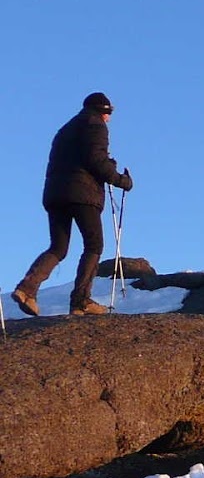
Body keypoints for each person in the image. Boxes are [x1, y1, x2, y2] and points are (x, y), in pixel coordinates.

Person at [12, 92, 133, 317]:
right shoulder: (96, 126)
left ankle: (26, 289)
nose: (109, 118)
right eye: (108, 113)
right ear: (102, 111)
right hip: (83, 195)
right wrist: (120, 180)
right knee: (94, 245)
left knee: (58, 247)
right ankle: (81, 301)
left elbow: (80, 157)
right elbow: (95, 160)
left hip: (55, 194)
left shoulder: (65, 129)